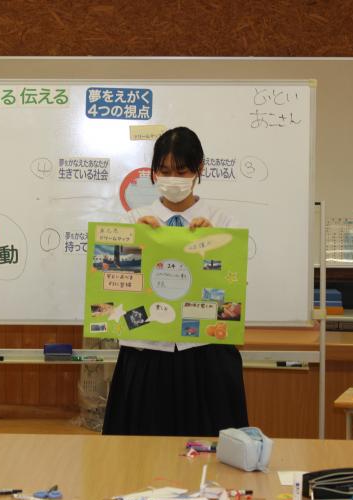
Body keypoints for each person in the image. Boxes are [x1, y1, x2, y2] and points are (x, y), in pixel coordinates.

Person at [102, 126, 248, 437]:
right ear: (154, 171)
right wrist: (138, 244)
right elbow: (113, 293)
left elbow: (232, 298)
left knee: (208, 451)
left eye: (181, 171)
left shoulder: (224, 225)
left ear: (199, 169)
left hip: (206, 355)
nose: (173, 179)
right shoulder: (132, 221)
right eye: (165, 171)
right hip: (146, 354)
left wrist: (214, 245)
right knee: (140, 453)